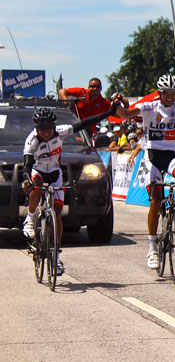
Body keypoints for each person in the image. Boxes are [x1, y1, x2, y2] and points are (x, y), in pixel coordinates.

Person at [22, 99, 123, 275]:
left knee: (58, 215)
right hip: (38, 171)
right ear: (36, 128)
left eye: (49, 128)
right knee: (36, 186)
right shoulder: (32, 140)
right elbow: (27, 164)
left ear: (54, 126)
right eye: (42, 129)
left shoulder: (60, 132)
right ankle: (30, 220)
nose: (46, 132)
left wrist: (108, 113)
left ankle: (55, 256)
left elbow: (84, 123)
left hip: (55, 173)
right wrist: (26, 180)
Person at [115, 74, 175, 269]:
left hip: (170, 155)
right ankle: (152, 246)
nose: (170, 97)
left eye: (173, 93)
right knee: (155, 200)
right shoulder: (149, 107)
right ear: (160, 93)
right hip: (151, 156)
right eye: (166, 93)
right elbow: (126, 114)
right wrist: (117, 105)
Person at [58, 78, 129, 136]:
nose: (95, 89)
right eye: (92, 86)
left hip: (87, 133)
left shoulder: (105, 103)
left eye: (97, 87)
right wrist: (66, 101)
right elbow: (61, 91)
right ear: (88, 87)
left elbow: (121, 116)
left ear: (101, 88)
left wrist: (125, 106)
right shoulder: (81, 92)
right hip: (73, 127)